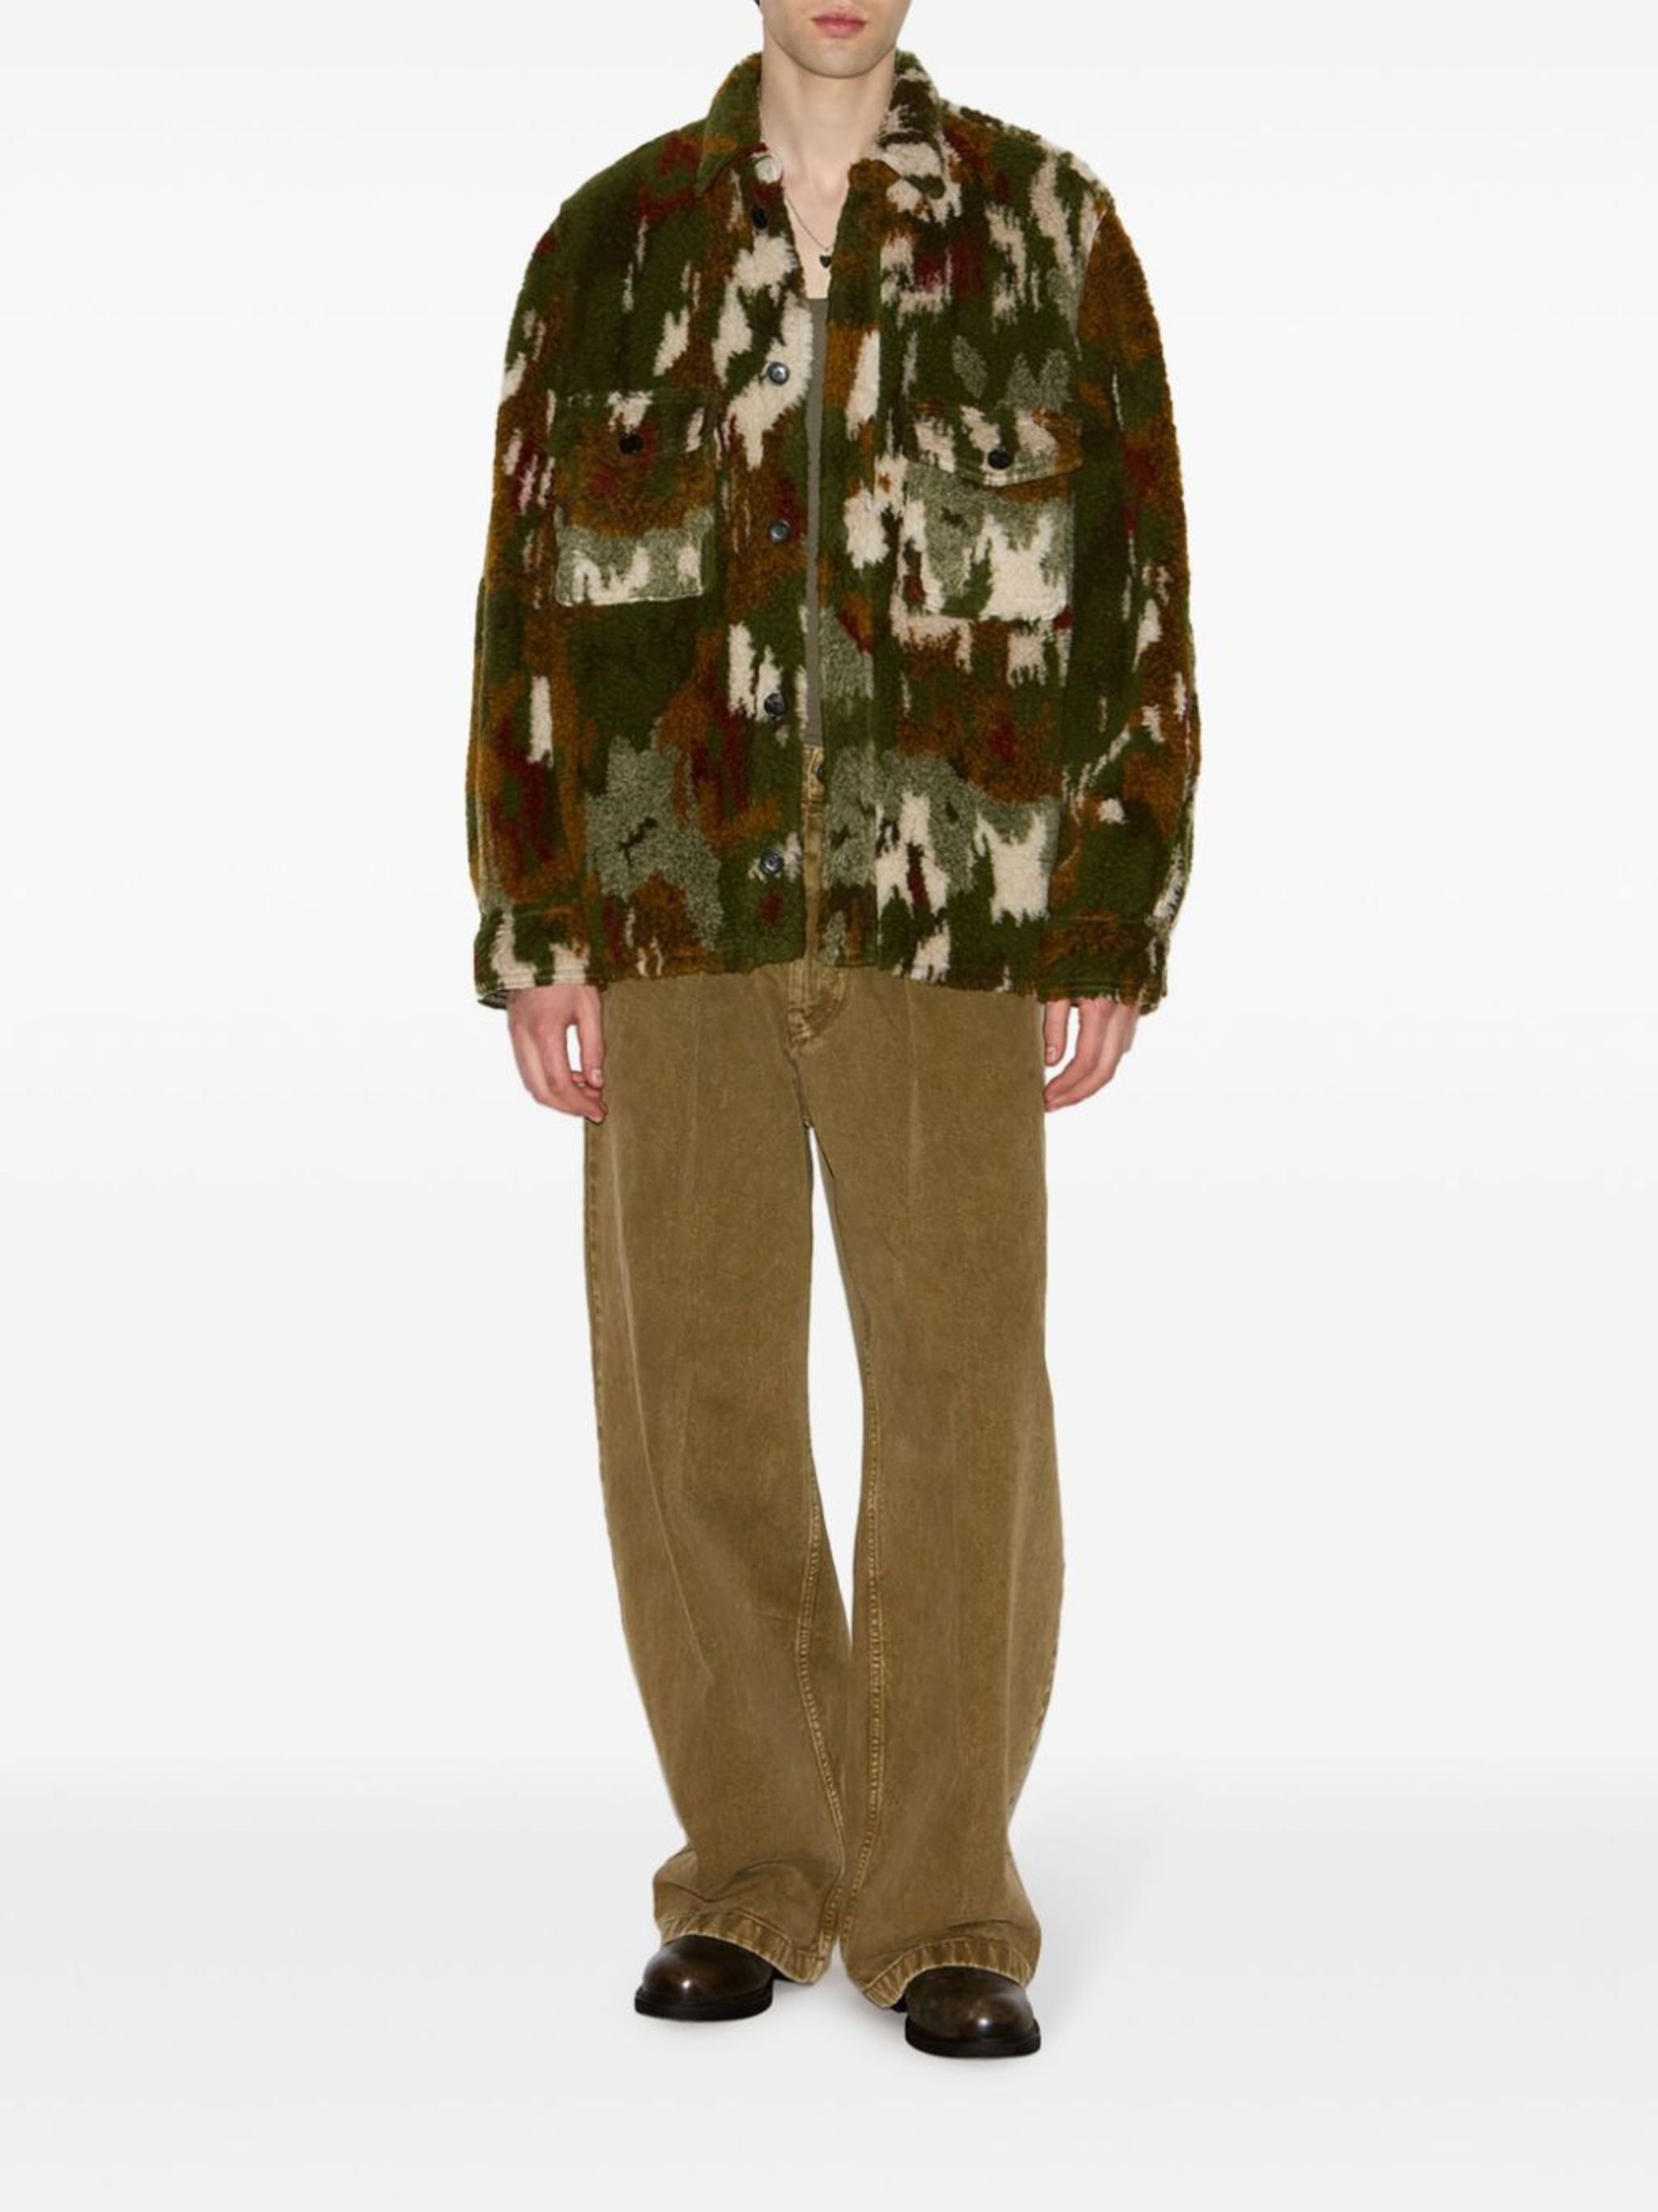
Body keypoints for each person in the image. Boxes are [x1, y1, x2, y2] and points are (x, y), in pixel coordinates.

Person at [464, 0, 1200, 2060]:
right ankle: (754, 1867)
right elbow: (524, 596)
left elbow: (1139, 583)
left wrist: (1112, 906)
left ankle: (942, 1897)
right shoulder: (607, 243)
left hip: (949, 908)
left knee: (960, 1394)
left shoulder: (1048, 231)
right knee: (693, 1395)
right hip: (668, 897)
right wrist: (536, 917)